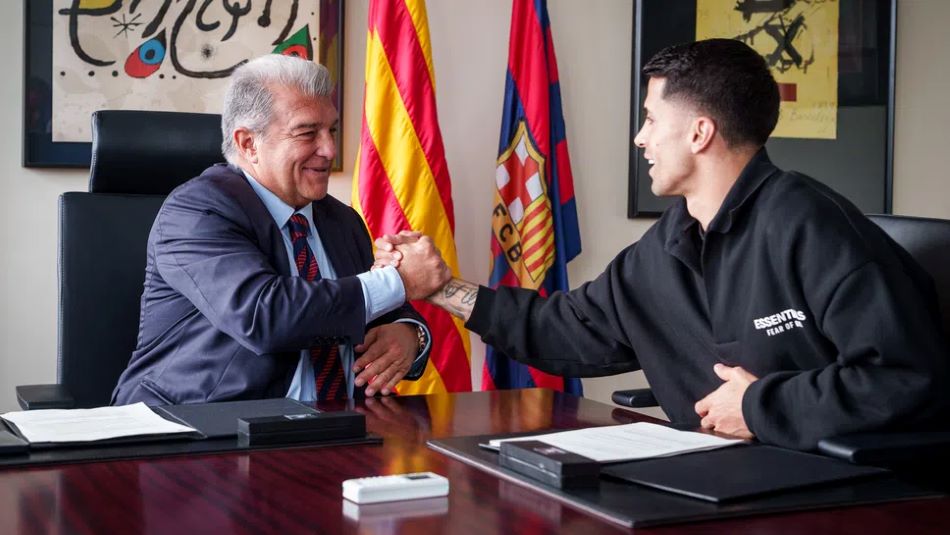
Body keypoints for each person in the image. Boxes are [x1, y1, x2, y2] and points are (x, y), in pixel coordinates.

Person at [376, 39, 950, 450]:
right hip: (716, 474)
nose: (640, 137)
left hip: (835, 490)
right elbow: (565, 329)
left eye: (651, 119)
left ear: (700, 132)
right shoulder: (671, 240)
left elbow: (905, 379)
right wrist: (441, 288)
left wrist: (758, 407)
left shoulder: (812, 226)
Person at [112, 54, 450, 405]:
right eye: (307, 133)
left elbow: (372, 305)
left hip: (336, 423)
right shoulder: (196, 211)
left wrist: (409, 334)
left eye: (331, 130)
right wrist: (400, 281)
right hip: (200, 423)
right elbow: (264, 316)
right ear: (248, 144)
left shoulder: (342, 220)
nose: (330, 149)